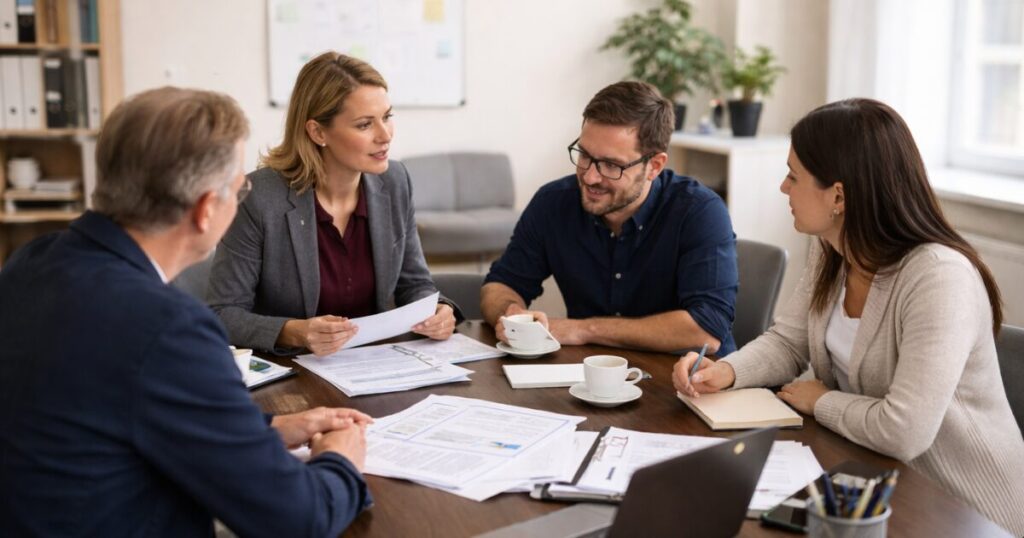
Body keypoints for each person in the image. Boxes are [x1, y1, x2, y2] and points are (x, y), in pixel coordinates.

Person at [0, 87, 373, 537]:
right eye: (240, 188)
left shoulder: (31, 261)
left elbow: (111, 411)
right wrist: (341, 458)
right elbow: (297, 520)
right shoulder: (169, 328)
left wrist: (267, 428)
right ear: (204, 210)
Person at [673, 98, 1024, 535]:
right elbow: (788, 342)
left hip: (960, 507)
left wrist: (820, 400)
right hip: (871, 482)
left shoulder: (938, 277)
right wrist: (725, 370)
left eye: (793, 176)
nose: (783, 188)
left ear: (837, 195)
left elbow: (904, 432)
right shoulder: (832, 251)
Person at [208, 51, 458, 356]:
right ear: (318, 131)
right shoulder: (258, 197)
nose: (385, 135)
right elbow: (222, 313)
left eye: (387, 117)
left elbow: (414, 283)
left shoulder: (395, 181)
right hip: (295, 372)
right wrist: (294, 332)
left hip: (376, 364)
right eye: (365, 124)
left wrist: (439, 310)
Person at [481, 81, 738, 355]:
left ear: (654, 166)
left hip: (690, 383)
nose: (590, 177)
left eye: (611, 165)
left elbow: (707, 330)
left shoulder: (699, 211)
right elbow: (500, 284)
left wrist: (583, 329)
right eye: (585, 156)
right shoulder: (552, 203)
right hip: (590, 378)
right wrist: (511, 313)